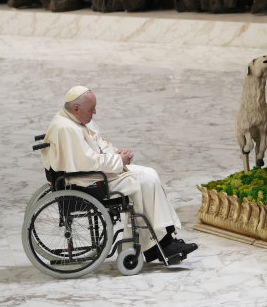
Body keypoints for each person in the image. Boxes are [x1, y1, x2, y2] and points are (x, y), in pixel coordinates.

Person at [40, 86, 198, 263]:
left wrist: (117, 154)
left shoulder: (77, 120)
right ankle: (162, 244)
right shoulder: (65, 128)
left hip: (99, 174)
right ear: (76, 108)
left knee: (150, 174)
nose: (95, 112)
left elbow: (98, 144)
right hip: (88, 181)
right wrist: (118, 161)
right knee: (145, 181)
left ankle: (159, 242)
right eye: (91, 109)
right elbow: (88, 162)